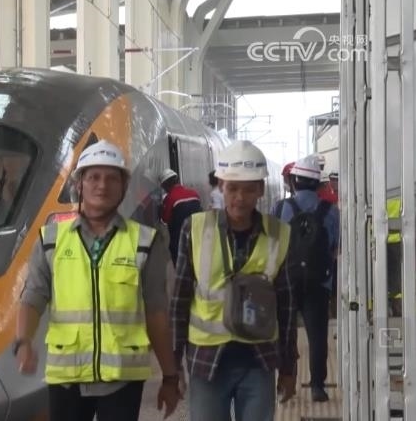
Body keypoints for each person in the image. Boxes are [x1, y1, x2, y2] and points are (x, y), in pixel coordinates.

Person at [16, 140, 181, 421]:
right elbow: (33, 296)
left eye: (111, 178)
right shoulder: (51, 240)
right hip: (67, 377)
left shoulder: (144, 242)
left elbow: (156, 312)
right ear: (79, 184)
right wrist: (23, 342)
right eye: (93, 177)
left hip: (122, 378)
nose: (102, 185)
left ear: (124, 187)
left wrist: (170, 376)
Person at [171, 140, 298, 420]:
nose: (240, 198)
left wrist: (289, 368)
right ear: (220, 187)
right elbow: (179, 299)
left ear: (261, 190)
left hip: (259, 361)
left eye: (249, 189)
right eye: (232, 188)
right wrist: (173, 366)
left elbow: (287, 306)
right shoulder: (194, 229)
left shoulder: (279, 234)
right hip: (207, 362)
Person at [271, 154, 339, 403]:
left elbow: (272, 244)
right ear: (318, 184)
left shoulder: (280, 208)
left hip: (286, 280)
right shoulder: (331, 211)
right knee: (317, 334)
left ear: (295, 181)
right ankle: (318, 386)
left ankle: (285, 384)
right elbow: (334, 247)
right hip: (319, 282)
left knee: (285, 333)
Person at [159, 169, 202, 265]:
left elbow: (165, 220)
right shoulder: (194, 194)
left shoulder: (170, 198)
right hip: (197, 236)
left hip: (179, 240)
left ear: (165, 185)